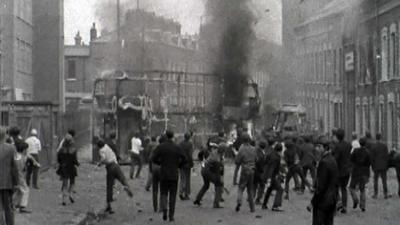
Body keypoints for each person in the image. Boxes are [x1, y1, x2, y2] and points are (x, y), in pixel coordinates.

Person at [151, 130, 186, 222]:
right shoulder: (177, 147)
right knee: (173, 195)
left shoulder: (161, 147)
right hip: (174, 173)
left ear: (166, 136)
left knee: (163, 193)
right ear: (173, 136)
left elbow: (152, 158)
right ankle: (171, 216)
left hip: (164, 173)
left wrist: (160, 163)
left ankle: (164, 210)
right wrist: (179, 165)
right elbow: (184, 158)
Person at [97, 139, 133, 214]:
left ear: (99, 146)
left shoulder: (101, 150)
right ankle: (126, 186)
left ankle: (109, 206)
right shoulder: (107, 146)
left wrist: (100, 163)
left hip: (110, 167)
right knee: (122, 179)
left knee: (109, 186)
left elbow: (103, 158)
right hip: (115, 165)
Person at [311, 138, 339, 225]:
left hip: (323, 202)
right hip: (331, 200)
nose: (317, 149)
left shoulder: (324, 163)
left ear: (325, 148)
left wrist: (313, 201)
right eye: (316, 146)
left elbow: (321, 186)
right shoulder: (332, 160)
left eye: (319, 147)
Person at [193, 142, 224, 208]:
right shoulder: (217, 158)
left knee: (206, 185)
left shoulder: (215, 152)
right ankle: (216, 204)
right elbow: (218, 170)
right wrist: (220, 179)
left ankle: (198, 199)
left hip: (204, 170)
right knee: (218, 185)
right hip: (207, 171)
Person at [13, 140, 40, 213]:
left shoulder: (16, 155)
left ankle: (14, 205)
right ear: (24, 150)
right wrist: (35, 163)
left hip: (15, 176)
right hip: (19, 176)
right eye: (26, 149)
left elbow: (29, 156)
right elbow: (28, 157)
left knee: (18, 191)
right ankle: (22, 206)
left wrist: (35, 162)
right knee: (25, 190)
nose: (27, 150)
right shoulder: (21, 157)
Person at [0, 126, 19, 225]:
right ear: (5, 135)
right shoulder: (11, 148)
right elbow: (15, 167)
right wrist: (17, 183)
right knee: (8, 208)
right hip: (7, 183)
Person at [234, 134, 257, 213]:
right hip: (252, 171)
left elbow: (237, 161)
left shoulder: (241, 149)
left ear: (242, 140)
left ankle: (239, 201)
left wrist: (234, 178)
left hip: (245, 171)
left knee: (241, 188)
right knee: (250, 190)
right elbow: (256, 159)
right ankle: (252, 208)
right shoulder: (254, 149)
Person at [332, 128, 351, 214]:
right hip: (347, 170)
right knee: (344, 188)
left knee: (335, 188)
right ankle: (345, 206)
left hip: (338, 170)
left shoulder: (337, 146)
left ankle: (338, 202)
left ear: (337, 136)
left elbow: (336, 158)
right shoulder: (348, 145)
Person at [57, 134, 80, 206]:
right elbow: (75, 160)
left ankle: (64, 199)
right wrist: (78, 164)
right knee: (72, 182)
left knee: (64, 184)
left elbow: (58, 159)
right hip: (71, 167)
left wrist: (61, 163)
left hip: (64, 167)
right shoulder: (73, 150)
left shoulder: (61, 150)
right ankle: (70, 193)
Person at [261, 142, 284, 211]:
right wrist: (269, 179)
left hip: (266, 174)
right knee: (280, 189)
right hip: (271, 176)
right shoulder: (276, 158)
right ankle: (275, 206)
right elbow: (272, 168)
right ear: (280, 150)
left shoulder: (271, 153)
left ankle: (264, 204)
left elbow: (265, 163)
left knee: (270, 189)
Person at [349, 138, 370, 212]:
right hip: (364, 172)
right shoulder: (367, 152)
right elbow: (369, 163)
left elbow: (351, 159)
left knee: (351, 187)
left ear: (359, 143)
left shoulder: (355, 151)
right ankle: (363, 205)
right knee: (362, 189)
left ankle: (355, 199)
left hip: (356, 171)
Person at [370, 133, 390, 199]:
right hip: (383, 165)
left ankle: (375, 194)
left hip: (376, 165)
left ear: (376, 138)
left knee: (375, 180)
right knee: (384, 180)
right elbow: (387, 156)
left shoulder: (373, 146)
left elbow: (372, 157)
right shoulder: (384, 146)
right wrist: (387, 165)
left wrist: (372, 166)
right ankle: (385, 193)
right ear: (381, 137)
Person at [148, 135, 164, 212]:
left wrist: (151, 168)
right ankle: (161, 207)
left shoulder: (155, 148)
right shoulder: (165, 149)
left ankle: (155, 207)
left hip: (154, 168)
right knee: (162, 189)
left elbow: (150, 158)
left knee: (155, 189)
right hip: (162, 168)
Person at [179, 133, 194, 200]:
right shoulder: (190, 144)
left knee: (182, 178)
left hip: (181, 162)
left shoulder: (180, 143)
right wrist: (192, 163)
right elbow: (190, 155)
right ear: (189, 137)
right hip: (187, 163)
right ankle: (186, 194)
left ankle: (180, 192)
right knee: (187, 179)